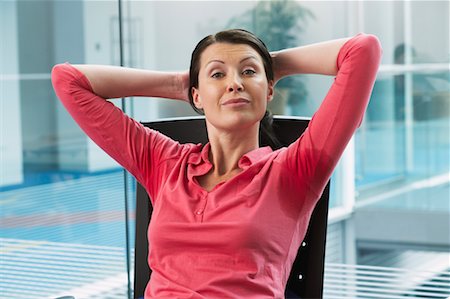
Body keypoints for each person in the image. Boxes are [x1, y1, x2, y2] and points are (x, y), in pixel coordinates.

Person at [52, 29, 382, 298]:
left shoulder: (295, 169)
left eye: (248, 72)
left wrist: (273, 65)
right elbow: (68, 80)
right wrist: (174, 85)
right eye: (217, 74)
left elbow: (362, 51)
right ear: (196, 96)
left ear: (269, 89)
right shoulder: (164, 162)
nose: (234, 83)